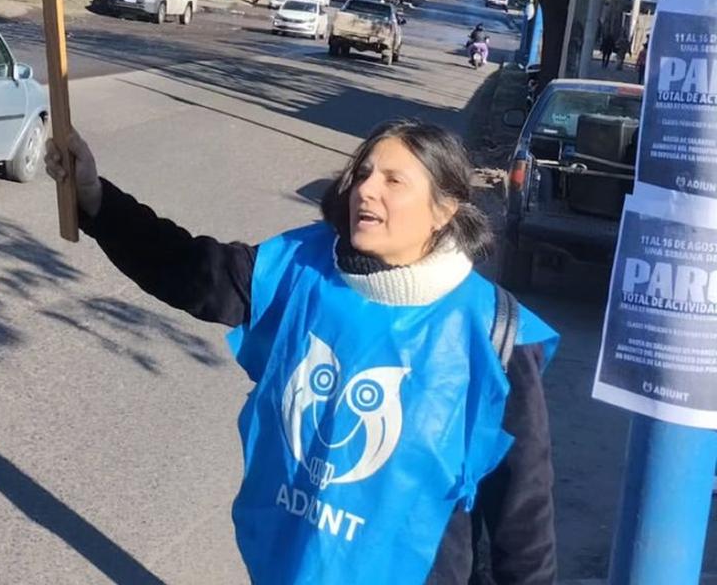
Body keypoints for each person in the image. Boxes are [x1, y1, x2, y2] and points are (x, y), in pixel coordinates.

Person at [47, 120, 558, 584]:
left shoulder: (494, 335)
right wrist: (95, 199)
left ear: (444, 210)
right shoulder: (301, 268)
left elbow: (523, 519)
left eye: (393, 180)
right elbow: (186, 268)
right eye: (363, 173)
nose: (366, 189)